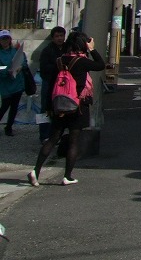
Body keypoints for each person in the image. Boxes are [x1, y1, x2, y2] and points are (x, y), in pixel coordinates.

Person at [29, 30, 103, 186]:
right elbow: (100, 65)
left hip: (59, 105)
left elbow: (52, 84)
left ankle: (35, 171)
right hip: (78, 107)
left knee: (53, 138)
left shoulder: (60, 60)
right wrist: (92, 49)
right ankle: (67, 176)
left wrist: (49, 106)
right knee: (73, 141)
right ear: (83, 45)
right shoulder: (82, 62)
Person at [36, 26, 67, 143]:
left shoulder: (68, 49)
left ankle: (56, 134)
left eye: (61, 36)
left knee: (60, 109)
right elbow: (43, 68)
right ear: (53, 38)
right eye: (57, 36)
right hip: (49, 83)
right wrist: (58, 66)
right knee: (45, 108)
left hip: (63, 84)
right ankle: (44, 135)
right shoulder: (47, 50)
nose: (59, 38)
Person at [0, 31, 28, 136]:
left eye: (7, 38)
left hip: (17, 83)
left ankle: (9, 127)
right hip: (5, 84)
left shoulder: (16, 51)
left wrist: (21, 66)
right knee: (4, 106)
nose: (5, 41)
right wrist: (7, 71)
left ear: (10, 39)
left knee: (14, 107)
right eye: (3, 39)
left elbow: (24, 62)